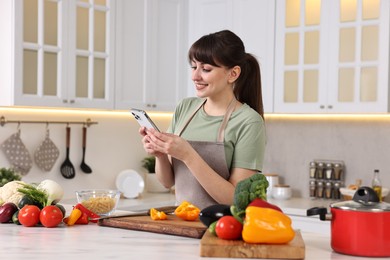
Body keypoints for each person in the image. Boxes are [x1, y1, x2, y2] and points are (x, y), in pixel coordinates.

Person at [139, 30, 266, 209]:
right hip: (184, 222)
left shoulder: (248, 121)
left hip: (223, 228)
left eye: (206, 69)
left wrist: (188, 155)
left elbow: (237, 200)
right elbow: (167, 182)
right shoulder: (185, 108)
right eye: (193, 67)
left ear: (233, 74)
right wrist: (160, 154)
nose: (195, 76)